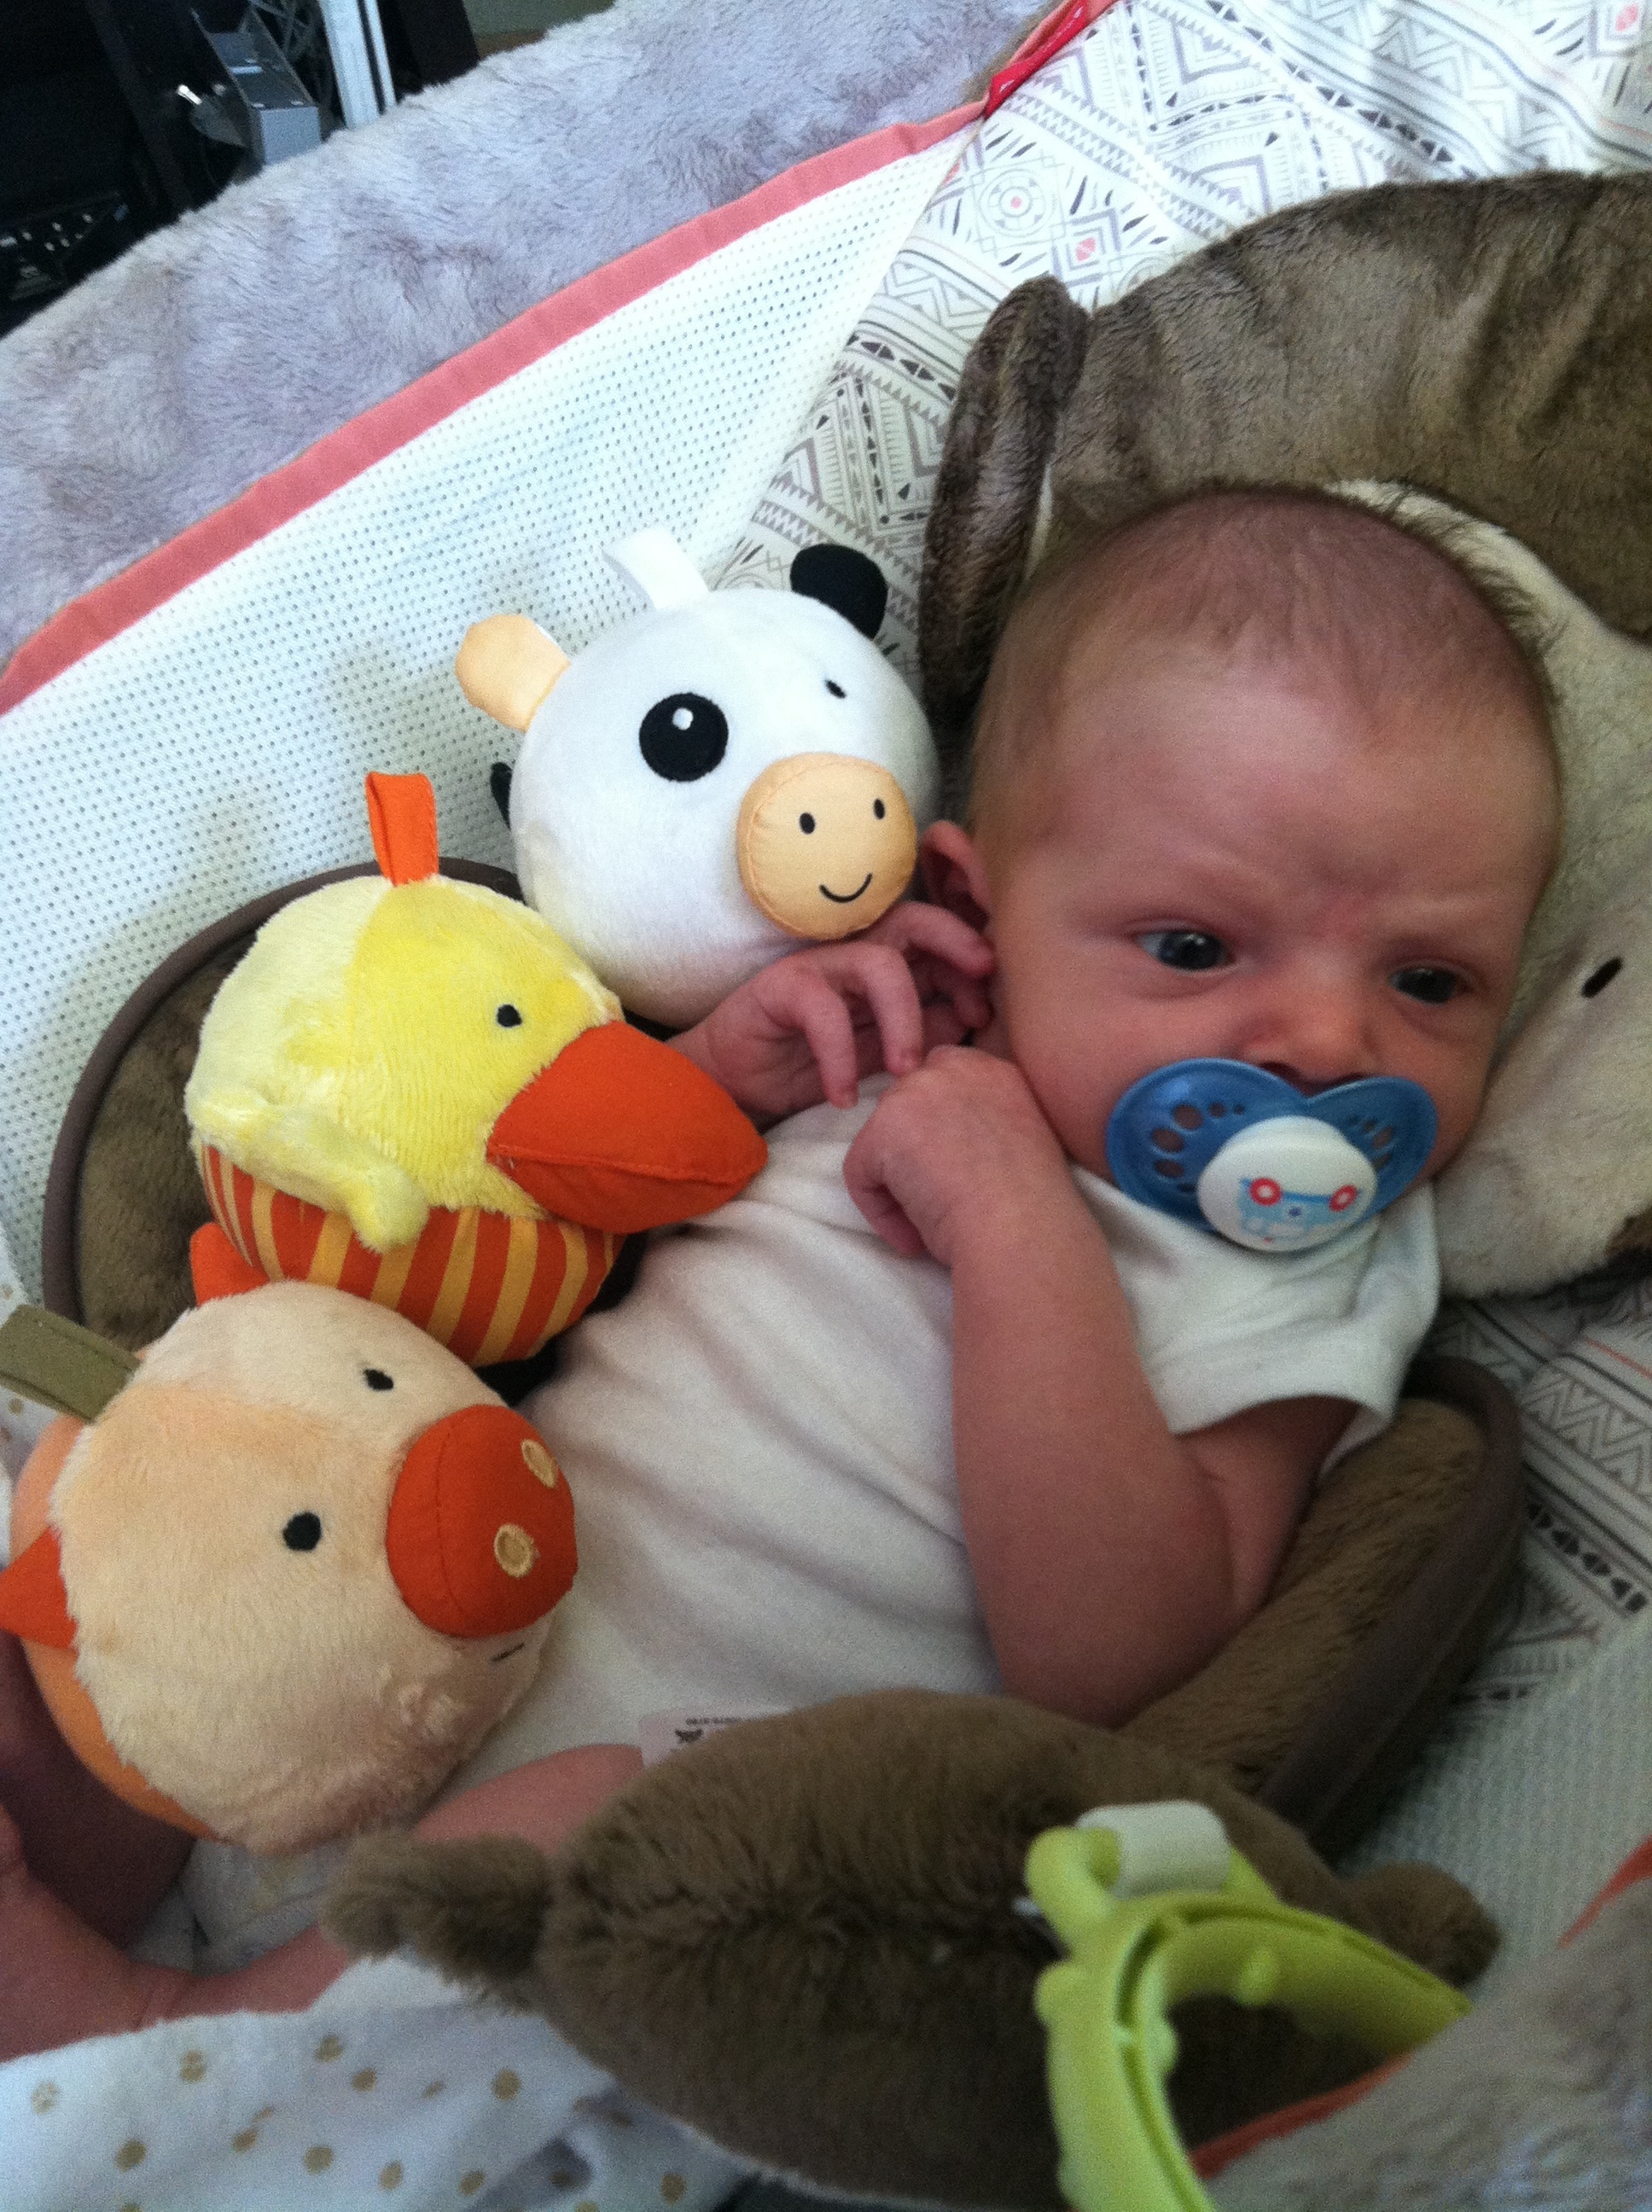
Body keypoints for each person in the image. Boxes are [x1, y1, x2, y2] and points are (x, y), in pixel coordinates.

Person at [0, 487, 1559, 2061]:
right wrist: (719, 1076)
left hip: (671, 1840)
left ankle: (177, 2041)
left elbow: (1124, 1658)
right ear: (975, 906)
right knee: (126, 1519)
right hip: (374, 1631)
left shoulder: (1304, 1273)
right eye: (1196, 949)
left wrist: (1015, 1219)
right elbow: (548, 1252)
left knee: (587, 1813)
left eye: (1430, 981)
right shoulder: (886, 1027)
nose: (1328, 1043)